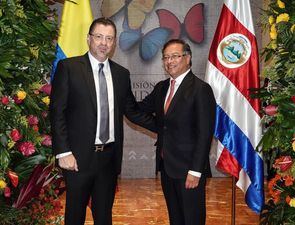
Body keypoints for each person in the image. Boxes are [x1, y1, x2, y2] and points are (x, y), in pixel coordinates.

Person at [50, 17, 155, 225]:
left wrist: (165, 126)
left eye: (109, 38)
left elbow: (132, 112)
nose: (103, 43)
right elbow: (57, 111)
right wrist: (63, 152)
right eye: (98, 37)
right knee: (75, 216)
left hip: (108, 159)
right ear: (89, 38)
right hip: (77, 159)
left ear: (114, 42)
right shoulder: (69, 68)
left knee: (104, 216)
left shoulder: (121, 74)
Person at [139, 39, 216, 225]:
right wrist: (118, 97)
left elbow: (204, 134)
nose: (169, 61)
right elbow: (141, 110)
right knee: (176, 219)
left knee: (192, 219)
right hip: (167, 167)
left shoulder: (201, 89)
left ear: (187, 58)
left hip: (189, 170)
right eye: (165, 57)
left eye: (175, 56)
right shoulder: (162, 87)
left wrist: (196, 171)